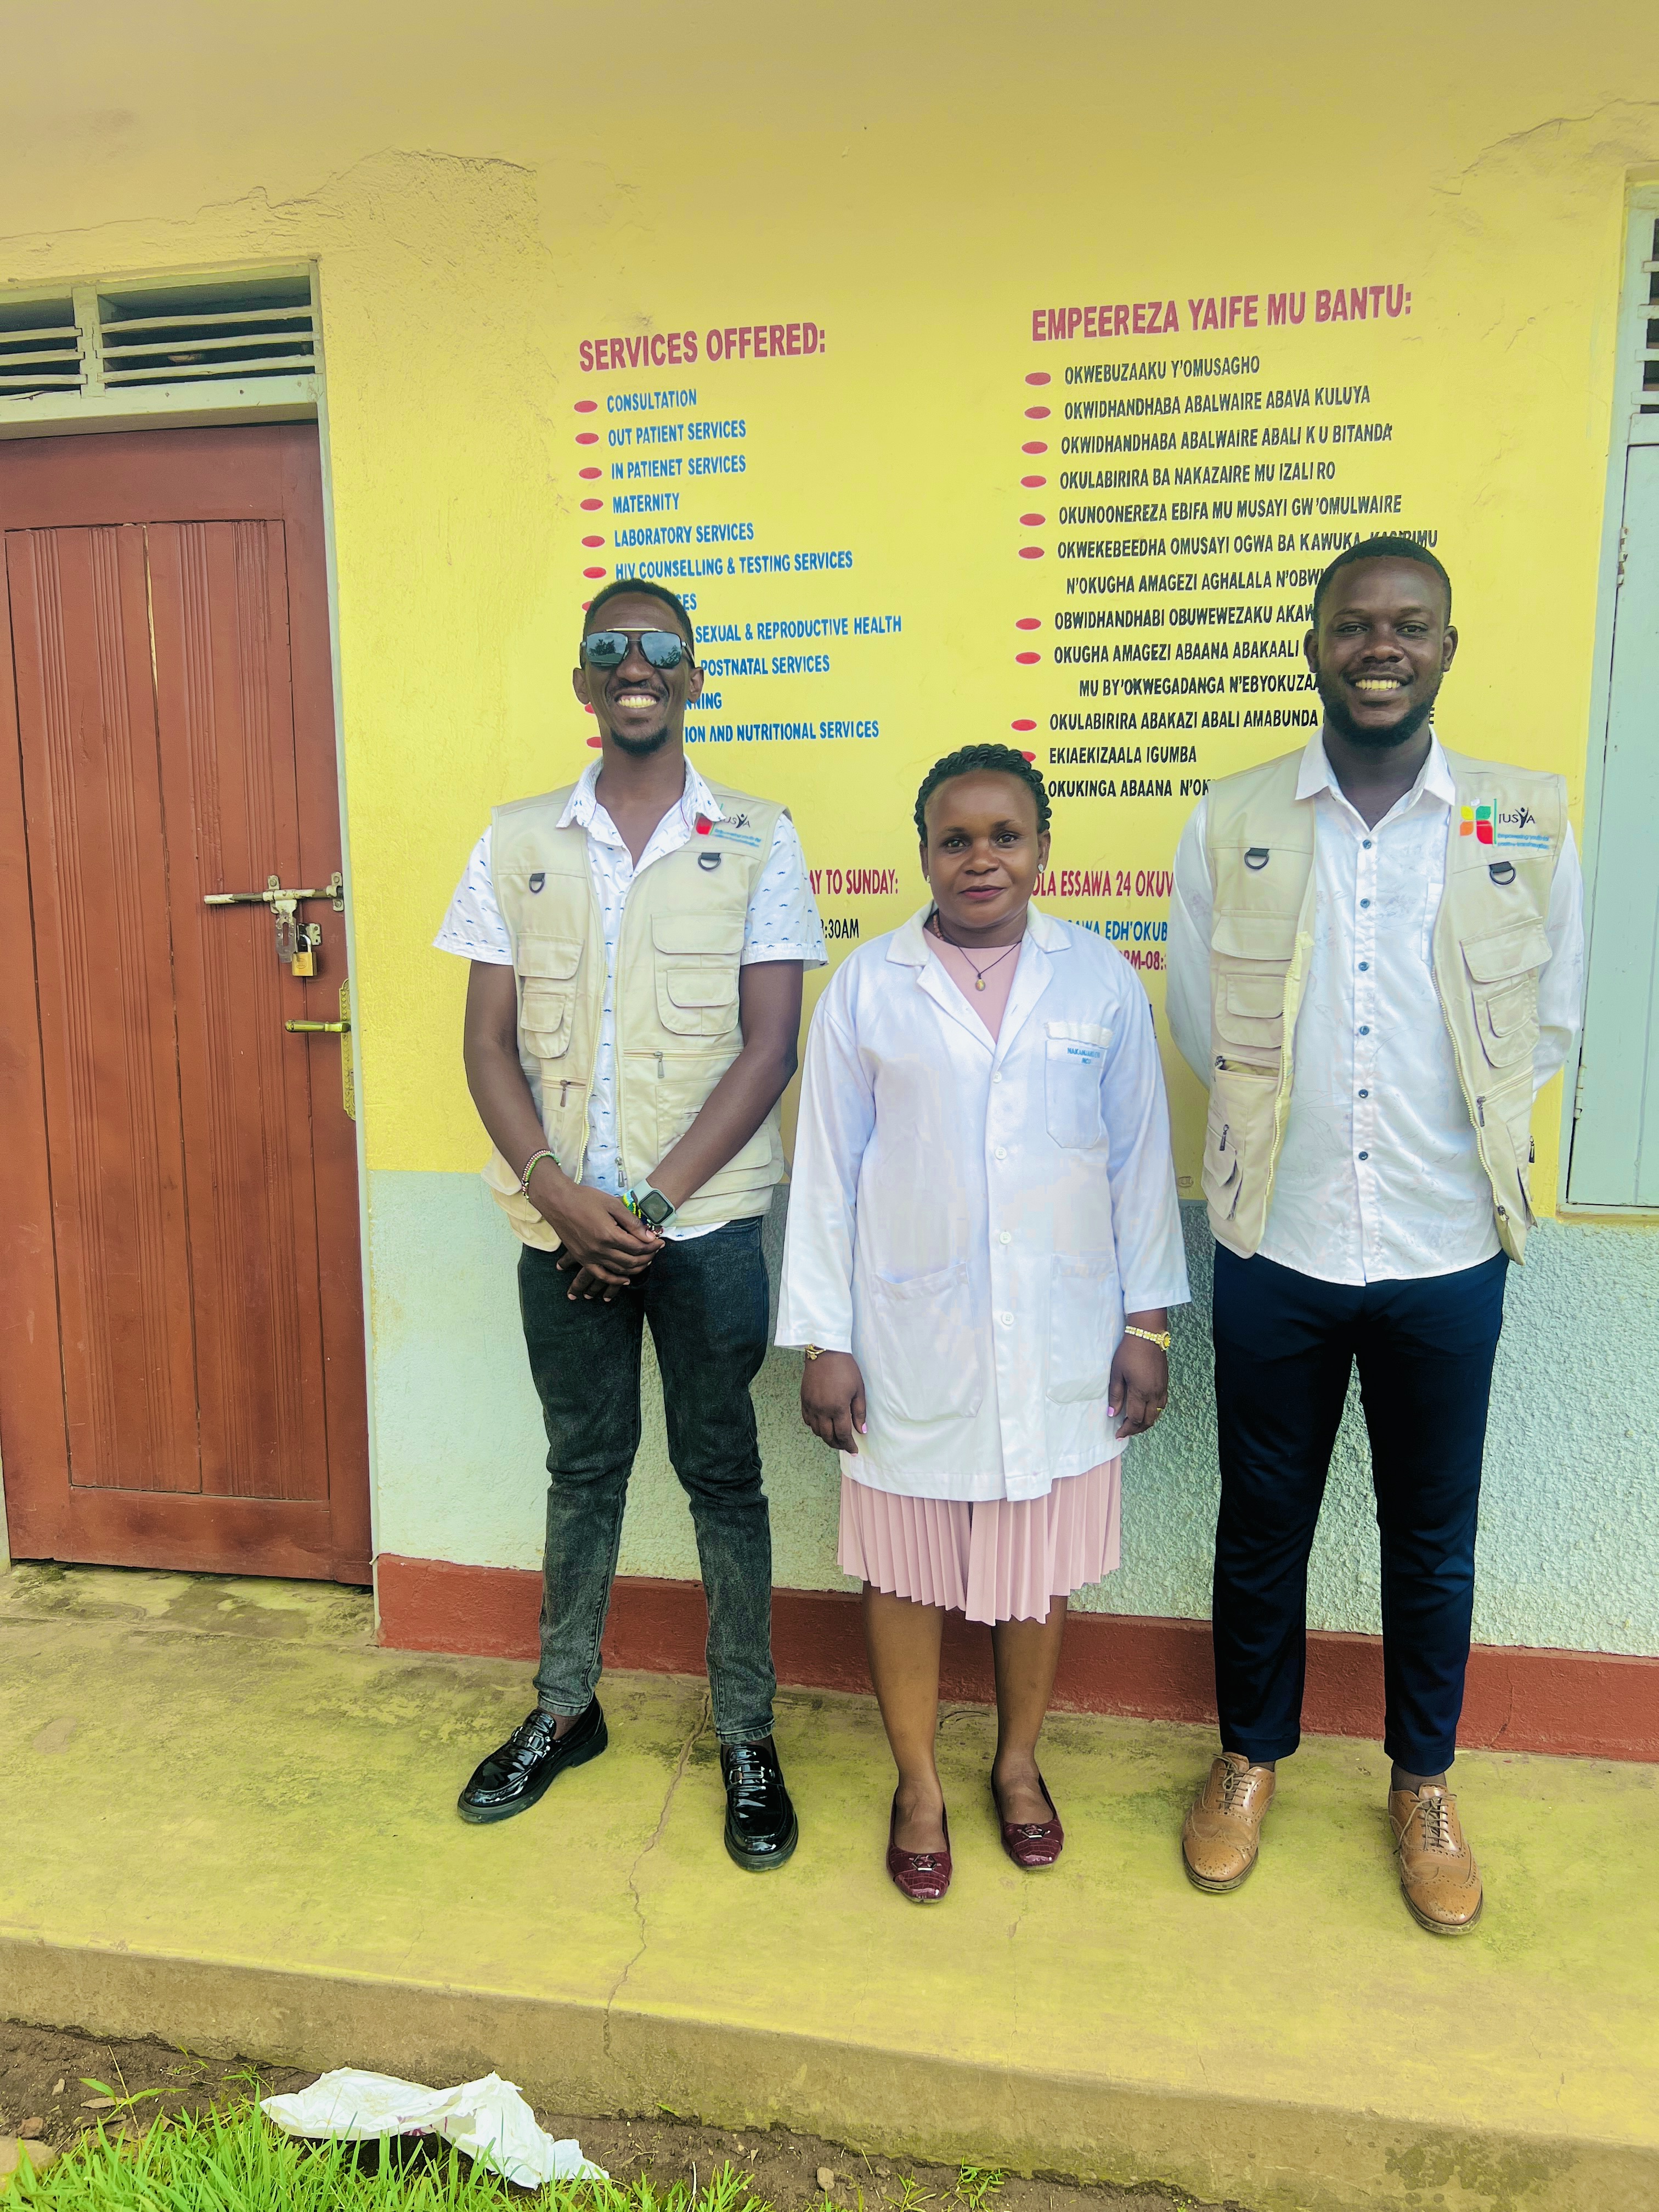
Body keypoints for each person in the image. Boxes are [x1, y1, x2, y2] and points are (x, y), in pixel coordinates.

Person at [1166, 535, 1584, 1934]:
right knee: (1261, 1522)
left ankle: (1422, 1781)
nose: (1382, 647)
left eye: (1410, 626)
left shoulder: (1523, 819)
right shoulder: (1232, 821)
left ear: (1448, 649)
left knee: (1433, 1535)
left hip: (1446, 1251)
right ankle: (1247, 1755)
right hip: (1278, 1243)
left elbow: (1552, 1021)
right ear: (1318, 645)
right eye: (1356, 625)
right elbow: (1196, 1027)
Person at [435, 577, 825, 1869]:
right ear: (584, 682)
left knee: (724, 1478)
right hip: (559, 1226)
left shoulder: (761, 837)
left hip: (700, 1230)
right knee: (582, 1469)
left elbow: (770, 1051)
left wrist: (644, 1215)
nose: (637, 665)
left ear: (695, 677)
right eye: (611, 648)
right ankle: (564, 1706)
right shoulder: (514, 842)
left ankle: (748, 1733)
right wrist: (559, 1194)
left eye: (662, 648)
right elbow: (487, 1046)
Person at [777, 743, 1189, 1901]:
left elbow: (1140, 1169)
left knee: (1036, 1570)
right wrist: (825, 1338)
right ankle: (918, 1783)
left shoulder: (1100, 982)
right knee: (903, 1570)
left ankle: (1016, 1765)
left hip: (1063, 1337)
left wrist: (1147, 1328)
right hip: (907, 1336)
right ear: (923, 855)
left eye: (1005, 836)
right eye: (955, 839)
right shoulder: (867, 986)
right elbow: (826, 1177)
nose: (981, 859)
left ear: (1044, 850)